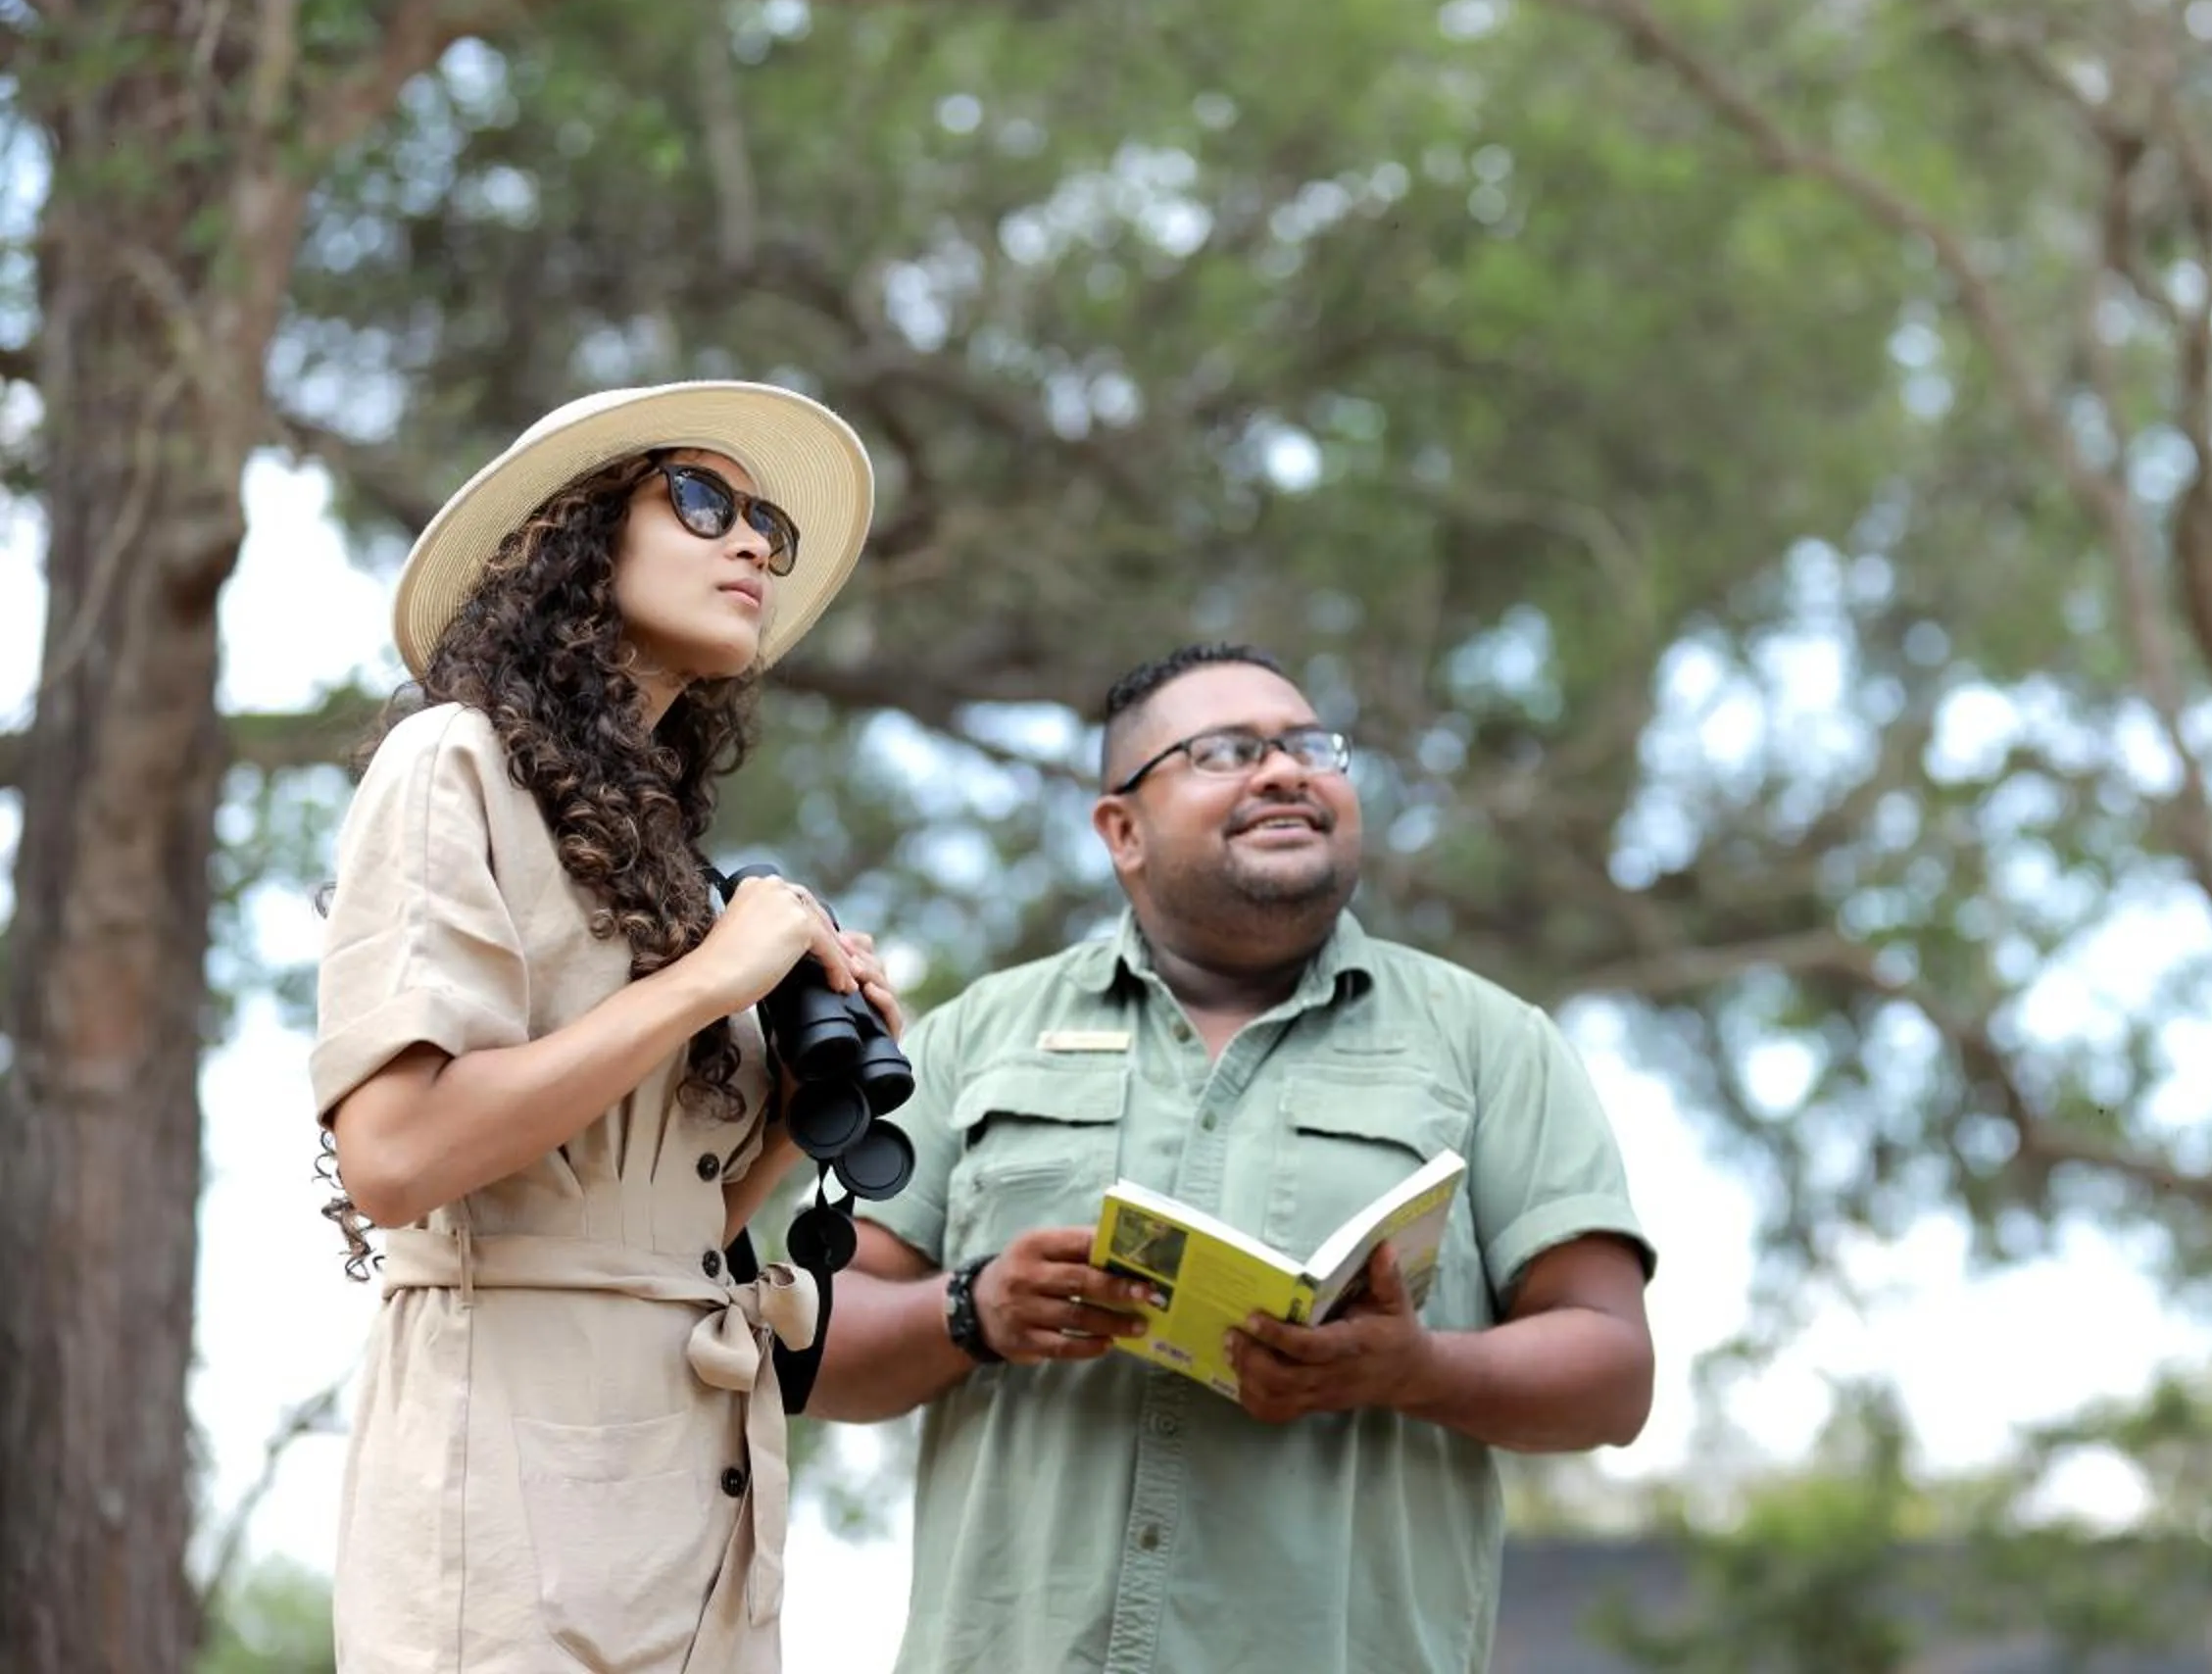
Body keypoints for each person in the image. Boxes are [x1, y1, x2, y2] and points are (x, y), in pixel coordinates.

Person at [812, 642, 1657, 1674]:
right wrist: (972, 1309)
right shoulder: (976, 1034)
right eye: (1225, 750)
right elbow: (816, 1339)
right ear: (1121, 828)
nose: (1285, 770)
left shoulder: (1491, 1041)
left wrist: (1416, 1366)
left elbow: (1614, 1372)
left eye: (1311, 745)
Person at [310, 380, 903, 1674]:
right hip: (509, 1483)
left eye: (766, 523)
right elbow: (396, 1157)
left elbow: (677, 1227)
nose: (751, 539)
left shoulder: (672, 868)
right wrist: (705, 985)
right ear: (565, 540)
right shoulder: (449, 763)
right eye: (700, 498)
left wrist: (800, 1118)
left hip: (700, 1485)